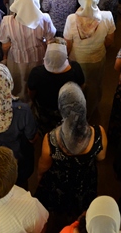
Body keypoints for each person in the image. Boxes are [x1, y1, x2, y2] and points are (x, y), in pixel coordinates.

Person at [35, 82, 106, 227]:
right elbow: (101, 157)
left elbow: (43, 166)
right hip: (84, 184)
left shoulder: (51, 139)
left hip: (59, 186)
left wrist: (39, 178)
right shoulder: (99, 133)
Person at [62, 0, 114, 121]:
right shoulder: (107, 16)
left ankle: (77, 111)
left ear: (80, 0)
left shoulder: (71, 19)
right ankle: (92, 110)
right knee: (95, 85)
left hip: (77, 60)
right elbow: (109, 41)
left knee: (77, 86)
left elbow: (68, 44)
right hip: (97, 58)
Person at [0, 0, 55, 98]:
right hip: (38, 57)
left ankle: (21, 103)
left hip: (16, 58)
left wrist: (5, 57)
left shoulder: (7, 21)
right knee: (36, 84)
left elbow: (5, 45)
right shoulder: (44, 19)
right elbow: (50, 40)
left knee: (19, 83)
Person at [27, 39, 85, 133]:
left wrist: (35, 102)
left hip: (45, 111)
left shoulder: (37, 73)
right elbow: (81, 87)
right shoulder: (75, 69)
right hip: (67, 110)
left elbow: (31, 92)